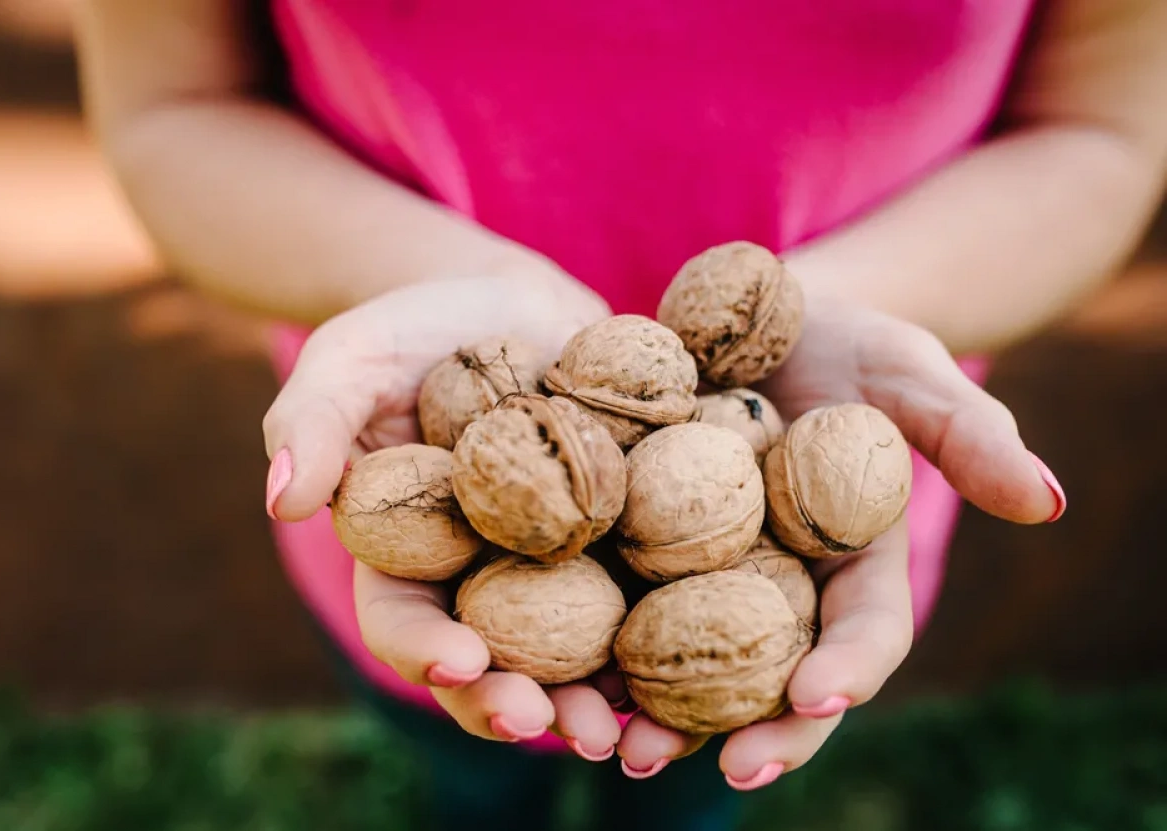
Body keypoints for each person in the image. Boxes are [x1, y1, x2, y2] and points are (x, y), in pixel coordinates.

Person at [74, 1, 1167, 828]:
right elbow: (174, 104)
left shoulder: (787, 510)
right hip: (412, 451)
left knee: (692, 781)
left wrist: (831, 303)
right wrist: (440, 273)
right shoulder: (468, 489)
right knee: (466, 755)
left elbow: (1098, 130)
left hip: (822, 486)